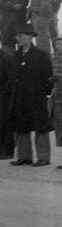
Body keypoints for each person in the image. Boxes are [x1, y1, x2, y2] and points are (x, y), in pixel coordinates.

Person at [8, 24, 53, 166]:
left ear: (30, 37)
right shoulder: (15, 55)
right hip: (20, 97)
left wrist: (46, 95)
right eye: (17, 36)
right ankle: (24, 156)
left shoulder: (41, 55)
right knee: (22, 126)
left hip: (37, 96)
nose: (18, 39)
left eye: (20, 36)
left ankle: (43, 157)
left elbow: (48, 77)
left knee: (40, 126)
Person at [50, 36, 62, 166]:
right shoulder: (56, 59)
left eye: (59, 44)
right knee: (59, 128)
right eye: (56, 44)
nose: (57, 46)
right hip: (57, 97)